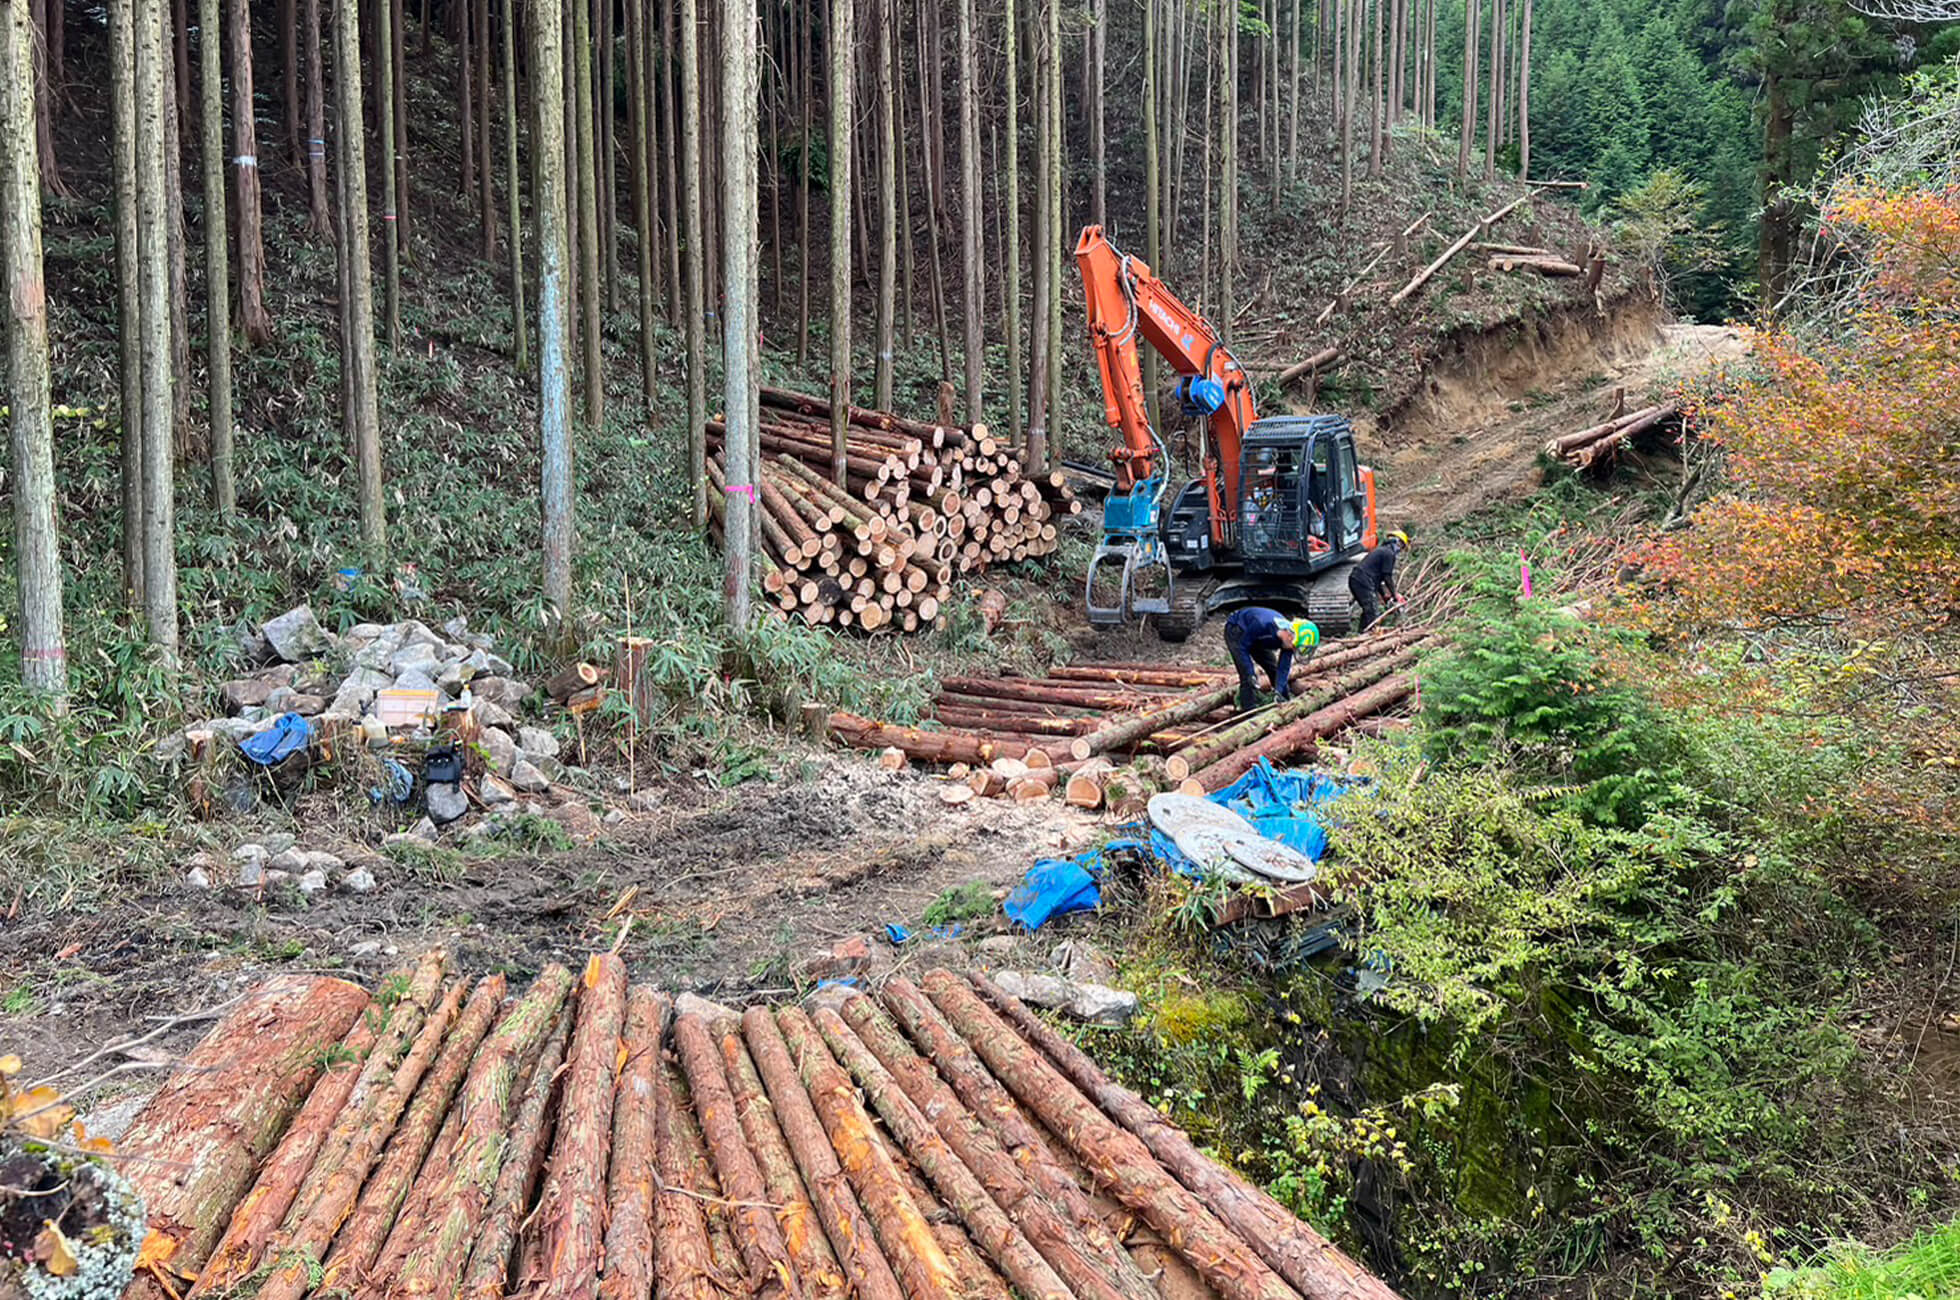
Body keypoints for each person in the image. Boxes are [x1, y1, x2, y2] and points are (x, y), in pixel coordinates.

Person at [1223, 608, 1320, 712]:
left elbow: (1283, 668)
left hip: (1258, 638)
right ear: (1289, 636)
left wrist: (1279, 691)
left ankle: (1284, 701)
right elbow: (1243, 647)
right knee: (1248, 675)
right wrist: (1250, 671)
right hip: (1238, 631)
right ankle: (1248, 709)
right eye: (1294, 647)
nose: (1293, 650)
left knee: (1273, 669)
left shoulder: (1289, 641)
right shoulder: (1262, 624)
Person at [1349, 530, 1410, 631]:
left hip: (1357, 579)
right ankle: (1369, 634)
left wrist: (1384, 595)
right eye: (1402, 547)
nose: (1401, 550)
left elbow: (1378, 579)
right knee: (1373, 612)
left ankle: (1362, 632)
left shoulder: (1382, 551)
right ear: (1398, 542)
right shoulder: (1389, 554)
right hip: (1363, 580)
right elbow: (1387, 577)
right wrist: (1395, 594)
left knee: (1368, 610)